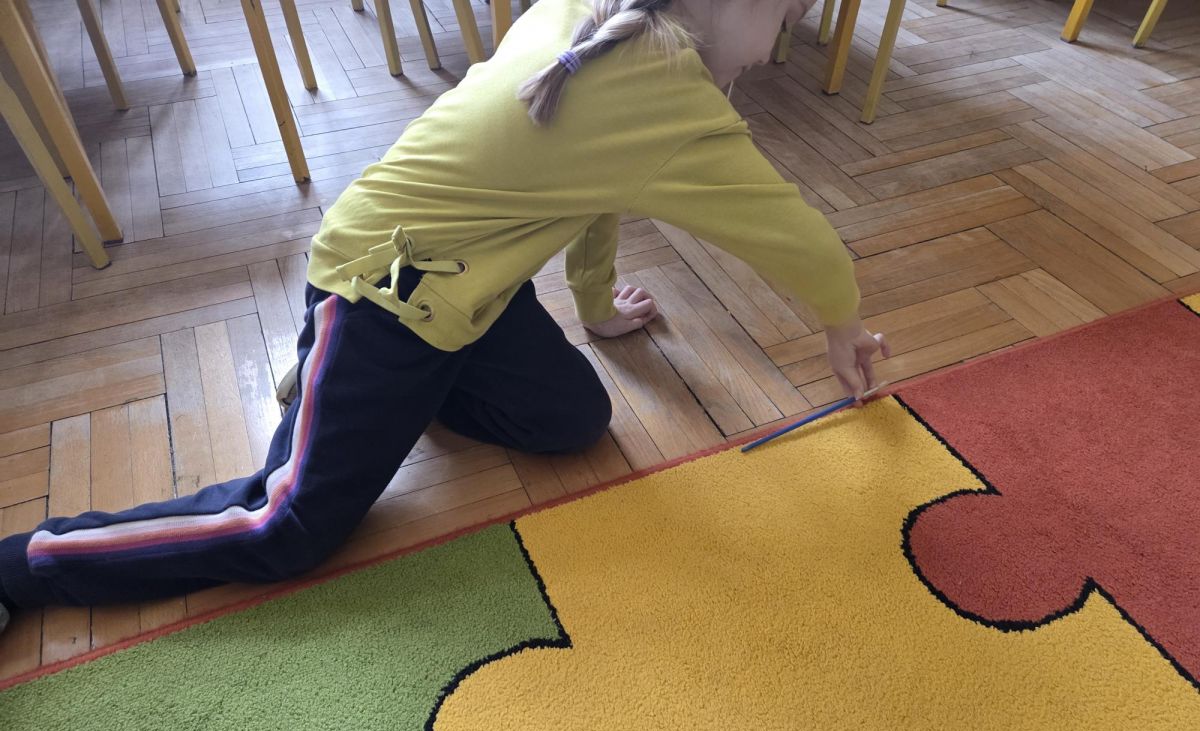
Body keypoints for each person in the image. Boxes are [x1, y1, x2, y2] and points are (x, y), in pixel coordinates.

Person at [0, 0, 887, 631]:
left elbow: (599, 185)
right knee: (287, 528)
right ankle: (22, 565)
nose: (780, 44)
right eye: (788, 15)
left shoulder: (609, 21)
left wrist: (592, 304)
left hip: (463, 289)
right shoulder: (666, 95)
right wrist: (842, 322)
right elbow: (792, 233)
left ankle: (350, 389)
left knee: (573, 418)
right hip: (379, 292)